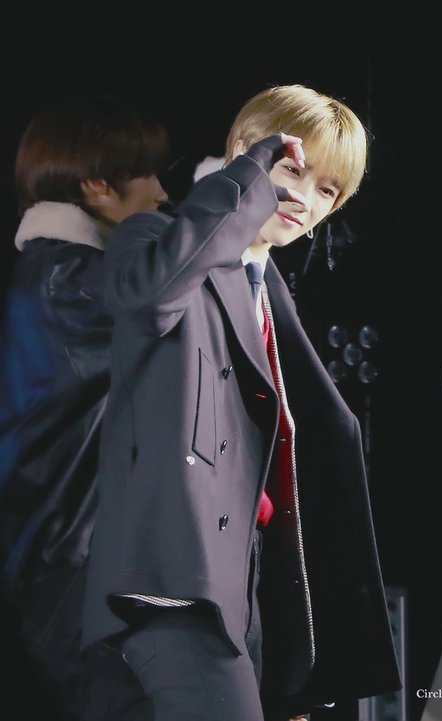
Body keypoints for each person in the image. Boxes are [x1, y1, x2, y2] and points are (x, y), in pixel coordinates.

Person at [81, 84, 401, 721]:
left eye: (328, 191)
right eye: (293, 170)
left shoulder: (268, 291)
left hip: (238, 596)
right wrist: (246, 179)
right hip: (172, 586)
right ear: (242, 153)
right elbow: (149, 298)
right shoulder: (156, 240)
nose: (306, 199)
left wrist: (286, 648)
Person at [0, 93, 170, 720]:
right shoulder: (69, 282)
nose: (161, 194)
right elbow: (164, 291)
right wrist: (233, 195)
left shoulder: (56, 272)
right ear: (97, 185)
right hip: (76, 578)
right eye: (146, 174)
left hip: (71, 571)